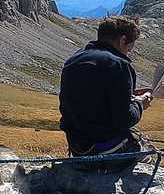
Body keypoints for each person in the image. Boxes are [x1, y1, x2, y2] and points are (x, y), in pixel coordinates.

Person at [59, 15, 152, 172]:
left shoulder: (73, 60)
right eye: (129, 48)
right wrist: (140, 103)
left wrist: (127, 95)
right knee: (146, 151)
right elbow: (126, 118)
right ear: (123, 40)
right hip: (107, 153)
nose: (128, 53)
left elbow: (89, 98)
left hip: (77, 149)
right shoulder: (118, 64)